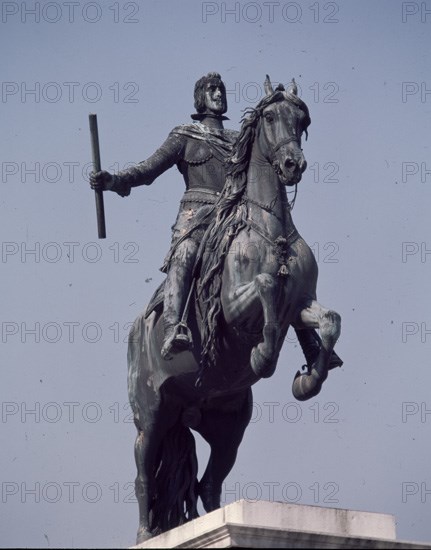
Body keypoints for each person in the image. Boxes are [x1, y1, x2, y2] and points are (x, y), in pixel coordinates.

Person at [90, 72, 238, 360]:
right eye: (212, 89)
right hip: (196, 218)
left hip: (233, 216)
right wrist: (113, 180)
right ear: (201, 97)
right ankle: (172, 327)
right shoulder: (185, 135)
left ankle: (306, 337)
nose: (219, 94)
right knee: (183, 256)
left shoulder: (239, 139)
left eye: (221, 89)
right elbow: (148, 169)